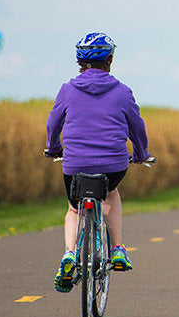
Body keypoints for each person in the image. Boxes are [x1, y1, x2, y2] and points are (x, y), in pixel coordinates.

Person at [45, 32, 150, 293]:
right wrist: (141, 153)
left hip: (75, 165)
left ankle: (70, 254)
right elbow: (137, 127)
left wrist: (54, 148)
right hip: (113, 166)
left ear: (79, 61)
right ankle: (117, 249)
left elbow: (53, 124)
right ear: (110, 59)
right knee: (111, 193)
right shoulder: (122, 92)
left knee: (73, 209)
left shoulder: (68, 90)